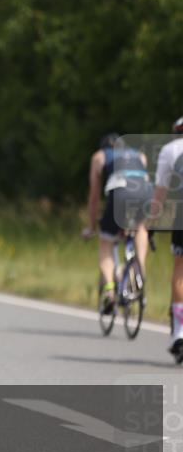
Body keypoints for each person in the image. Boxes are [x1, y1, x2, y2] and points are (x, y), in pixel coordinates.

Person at [82, 133, 151, 314]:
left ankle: (109, 292)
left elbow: (94, 197)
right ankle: (140, 269)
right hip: (144, 192)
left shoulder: (99, 157)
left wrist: (91, 227)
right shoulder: (139, 155)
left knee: (106, 242)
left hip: (120, 192)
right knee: (140, 228)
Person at [149, 117, 183, 363]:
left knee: (180, 271)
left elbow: (160, 192)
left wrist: (151, 224)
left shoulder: (171, 150)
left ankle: (180, 333)